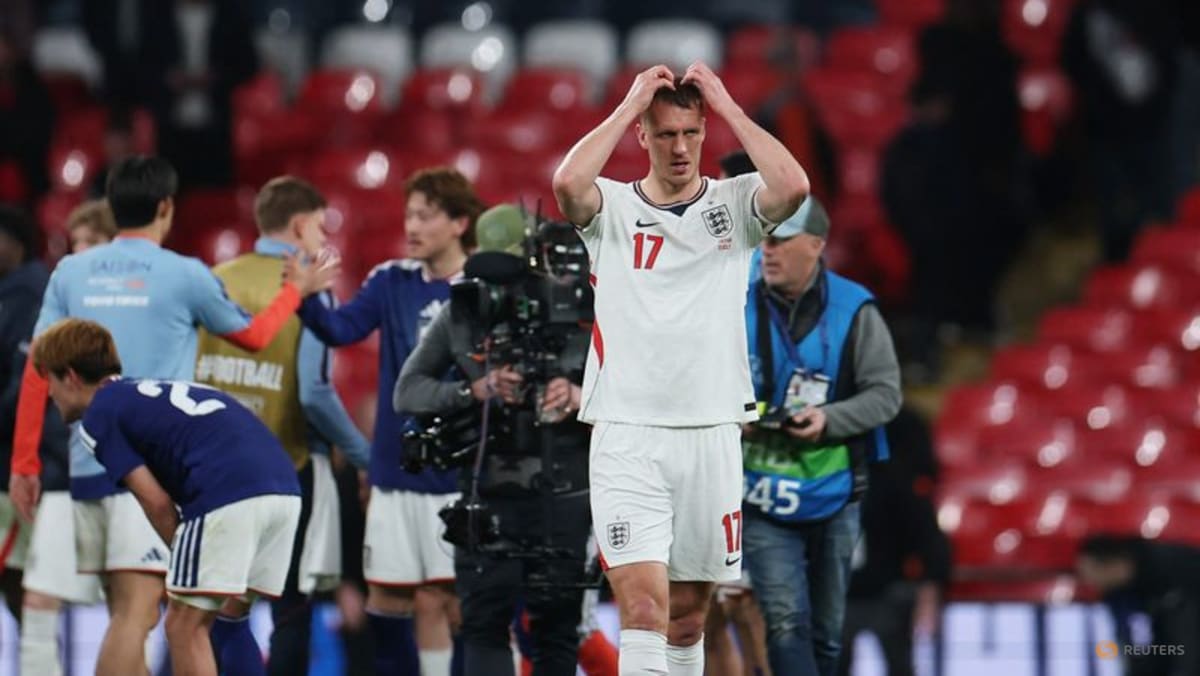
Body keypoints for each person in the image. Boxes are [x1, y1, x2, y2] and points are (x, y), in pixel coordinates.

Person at [9, 155, 332, 676]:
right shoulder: (185, 274)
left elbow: (36, 367)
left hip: (89, 466)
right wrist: (295, 291)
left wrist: (24, 463)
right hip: (160, 469)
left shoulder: (70, 270)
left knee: (132, 616)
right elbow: (254, 336)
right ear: (166, 207)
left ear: (112, 206)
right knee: (142, 617)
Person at [552, 62, 808, 675]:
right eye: (665, 133)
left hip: (711, 431)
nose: (680, 148)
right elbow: (567, 183)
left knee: (689, 617)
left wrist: (727, 103)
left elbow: (794, 186)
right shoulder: (612, 208)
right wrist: (627, 105)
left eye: (691, 133)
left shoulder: (734, 204)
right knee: (644, 606)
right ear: (643, 135)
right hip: (627, 434)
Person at [33, 317, 303, 676]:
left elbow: (156, 502)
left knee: (182, 625)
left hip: (228, 493)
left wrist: (184, 559)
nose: (48, 394)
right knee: (230, 618)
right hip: (285, 488)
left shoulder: (99, 415)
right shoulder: (148, 391)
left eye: (48, 380)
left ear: (69, 376)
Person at [295, 166, 483, 675]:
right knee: (411, 599)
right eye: (409, 215)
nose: (412, 226)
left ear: (460, 223)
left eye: (426, 216)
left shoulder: (484, 287)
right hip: (398, 472)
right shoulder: (390, 281)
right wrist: (308, 297)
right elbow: (340, 329)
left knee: (465, 603)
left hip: (463, 474)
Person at [393, 203, 594, 675]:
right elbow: (407, 392)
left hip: (564, 492)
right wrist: (474, 390)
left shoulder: (582, 308)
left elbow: (642, 389)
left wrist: (581, 396)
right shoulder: (463, 311)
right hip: (488, 491)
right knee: (484, 625)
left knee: (556, 630)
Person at [194, 176, 371, 675]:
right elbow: (314, 393)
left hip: (212, 470)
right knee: (290, 609)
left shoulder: (214, 280)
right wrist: (364, 456)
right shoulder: (310, 290)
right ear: (298, 225)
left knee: (220, 608)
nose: (322, 238)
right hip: (286, 467)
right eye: (319, 227)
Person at [741, 196, 902, 676]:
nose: (767, 250)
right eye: (764, 240)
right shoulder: (734, 300)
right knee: (784, 621)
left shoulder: (855, 309)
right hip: (760, 494)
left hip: (835, 493)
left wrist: (829, 419)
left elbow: (886, 395)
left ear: (815, 245)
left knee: (827, 635)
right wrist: (729, 412)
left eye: (780, 240)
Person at [0, 206, 107, 675]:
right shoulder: (45, 297)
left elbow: (27, 387)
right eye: (75, 242)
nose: (79, 252)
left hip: (74, 473)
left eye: (91, 242)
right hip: (49, 472)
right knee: (32, 596)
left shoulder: (32, 294)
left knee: (129, 607)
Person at [837, 407, 951, 676]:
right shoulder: (820, 486)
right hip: (837, 596)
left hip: (887, 592)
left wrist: (930, 592)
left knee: (900, 666)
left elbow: (929, 539)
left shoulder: (895, 483)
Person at [1077, 534, 1200, 676]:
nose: (1088, 582)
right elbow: (1140, 650)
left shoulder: (1176, 571)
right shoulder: (1119, 594)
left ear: (1110, 565)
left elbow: (1186, 647)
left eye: (1088, 573)